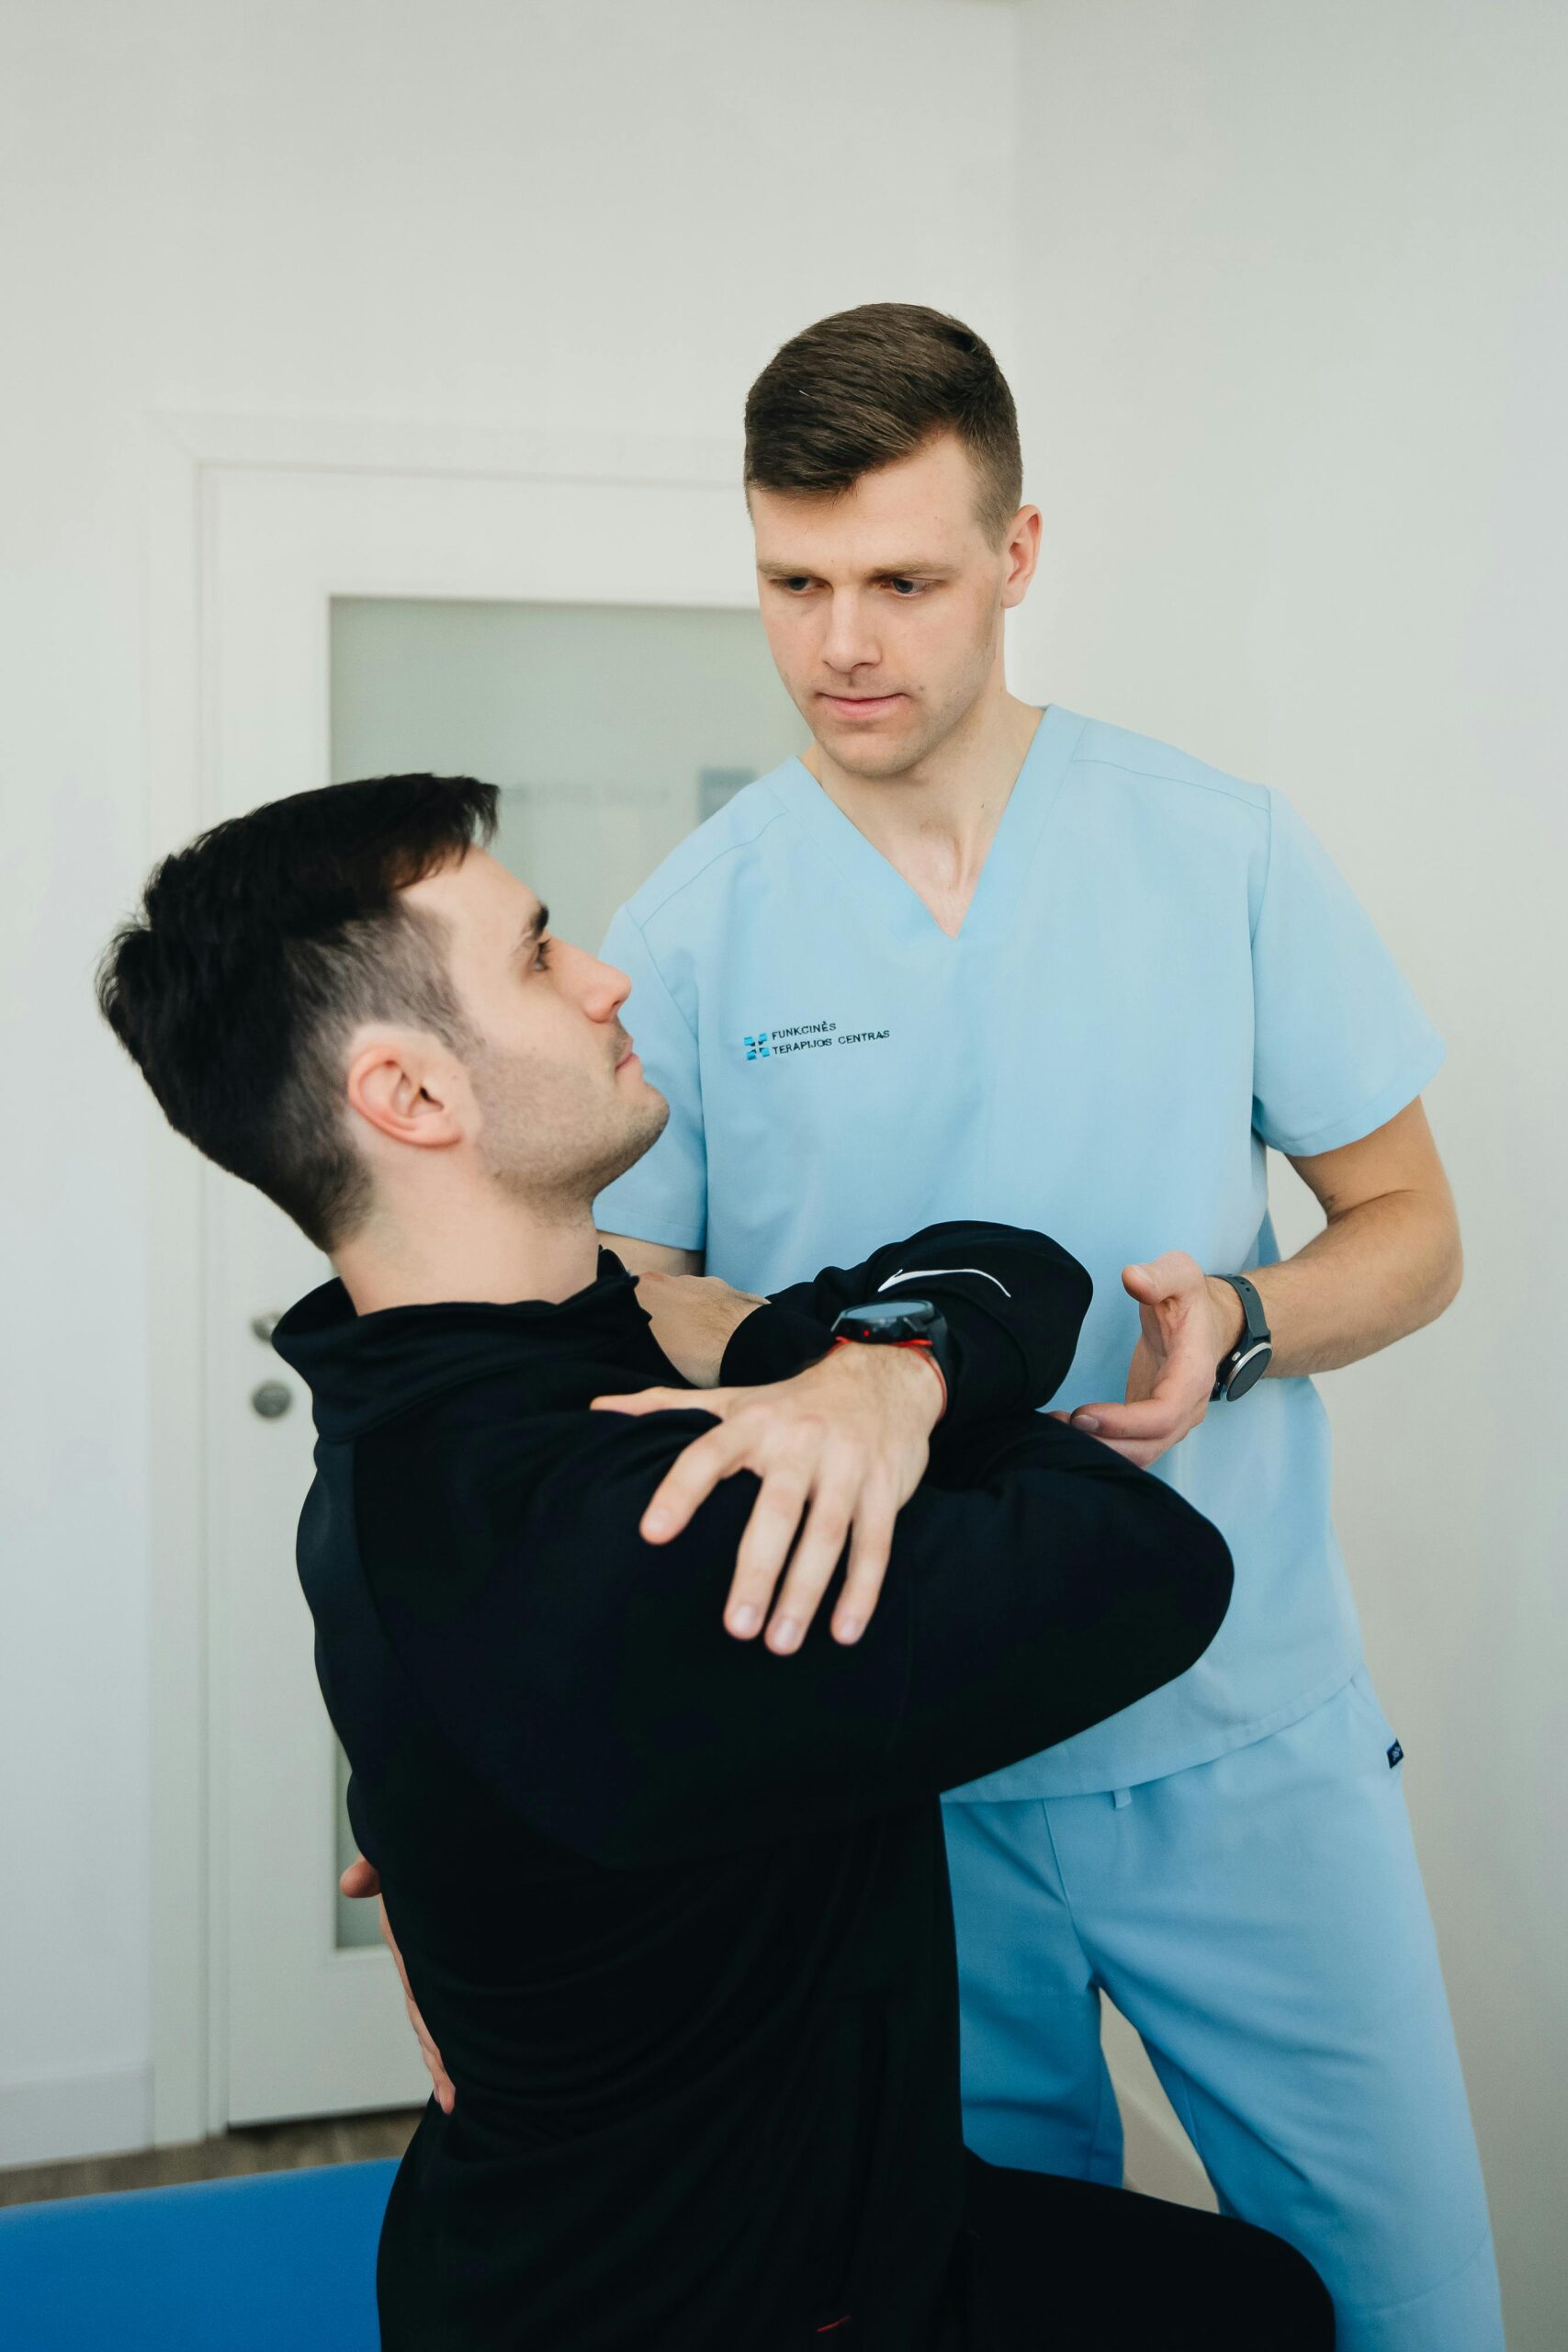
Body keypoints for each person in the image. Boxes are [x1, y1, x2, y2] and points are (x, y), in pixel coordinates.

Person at [96, 774, 1333, 2351]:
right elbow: (1145, 1559)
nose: (607, 979)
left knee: (1253, 2302)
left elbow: (1011, 1260)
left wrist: (885, 1368)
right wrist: (840, 1357)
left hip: (765, 2215)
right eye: (541, 956)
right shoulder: (635, 1527)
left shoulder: (453, 1389)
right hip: (719, 2302)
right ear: (411, 1097)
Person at [583, 303, 1503, 2352]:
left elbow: (1411, 1229)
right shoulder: (695, 917)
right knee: (978, 2308)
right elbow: (622, 1276)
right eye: (791, 581)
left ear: (1014, 553)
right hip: (892, 1774)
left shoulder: (1214, 846)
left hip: (1236, 1730)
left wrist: (1245, 1318)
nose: (842, 642)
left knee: (1408, 2302)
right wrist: (797, 1359)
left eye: (902, 579)